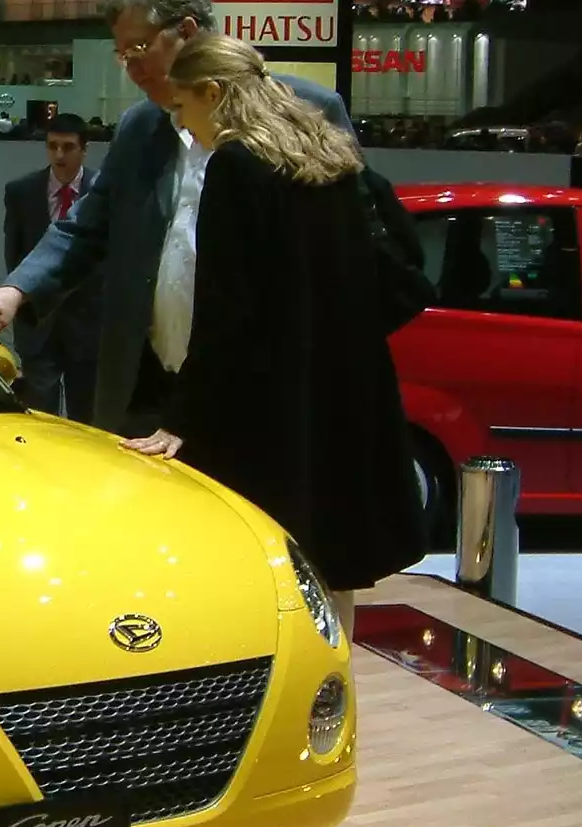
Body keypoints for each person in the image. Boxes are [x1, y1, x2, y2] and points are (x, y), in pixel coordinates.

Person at [0, 0, 355, 438]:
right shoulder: (141, 127)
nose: (131, 68)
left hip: (261, 391)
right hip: (147, 388)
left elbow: (349, 258)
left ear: (187, 32)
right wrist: (17, 290)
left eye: (139, 48)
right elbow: (87, 225)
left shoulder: (306, 111)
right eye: (122, 55)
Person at [125, 34, 424, 632]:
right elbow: (398, 267)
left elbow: (227, 309)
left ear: (212, 93)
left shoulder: (237, 165)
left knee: (260, 562)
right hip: (347, 393)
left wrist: (181, 419)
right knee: (331, 565)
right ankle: (332, 679)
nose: (182, 124)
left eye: (182, 107)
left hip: (268, 410)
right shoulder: (328, 152)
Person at [2, 113, 100, 421]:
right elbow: (15, 254)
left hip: (89, 326)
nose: (59, 155)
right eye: (52, 146)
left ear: (84, 150)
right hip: (38, 324)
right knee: (41, 417)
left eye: (68, 147)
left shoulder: (103, 192)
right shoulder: (21, 191)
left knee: (87, 418)